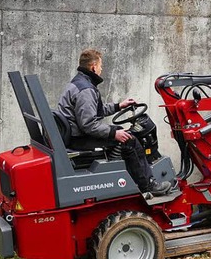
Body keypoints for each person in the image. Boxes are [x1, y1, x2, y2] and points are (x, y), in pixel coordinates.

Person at [56, 49, 171, 196]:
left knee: (120, 131)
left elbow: (95, 111)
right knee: (130, 140)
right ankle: (148, 185)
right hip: (79, 139)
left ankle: (135, 178)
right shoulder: (86, 90)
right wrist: (114, 133)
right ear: (93, 67)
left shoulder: (78, 83)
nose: (101, 69)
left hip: (74, 135)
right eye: (100, 66)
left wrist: (118, 106)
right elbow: (89, 124)